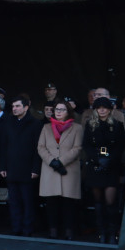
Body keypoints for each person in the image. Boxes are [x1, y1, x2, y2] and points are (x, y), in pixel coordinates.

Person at [83, 96, 125, 243]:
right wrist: (97, 158)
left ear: (110, 109)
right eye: (99, 107)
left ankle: (112, 231)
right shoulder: (90, 125)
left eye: (105, 107)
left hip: (111, 166)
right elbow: (87, 145)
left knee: (110, 202)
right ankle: (101, 232)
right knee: (98, 202)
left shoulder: (117, 125)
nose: (102, 110)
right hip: (95, 165)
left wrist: (109, 159)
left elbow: (121, 146)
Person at [36, 101, 83, 240]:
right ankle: (53, 231)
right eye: (57, 109)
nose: (58, 112)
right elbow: (41, 147)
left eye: (62, 109)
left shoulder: (77, 128)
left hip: (68, 169)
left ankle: (68, 231)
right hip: (50, 169)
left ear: (68, 112)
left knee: (68, 203)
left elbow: (78, 148)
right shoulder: (46, 127)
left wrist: (61, 161)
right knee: (51, 203)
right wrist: (52, 161)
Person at [0, 95, 43, 236]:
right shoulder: (8, 123)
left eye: (17, 106)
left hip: (28, 169)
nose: (14, 109)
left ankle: (28, 228)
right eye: (13, 106)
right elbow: (3, 146)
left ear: (26, 107)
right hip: (11, 168)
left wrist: (36, 168)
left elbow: (38, 149)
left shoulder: (35, 124)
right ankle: (16, 227)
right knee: (14, 201)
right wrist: (2, 166)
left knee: (28, 201)